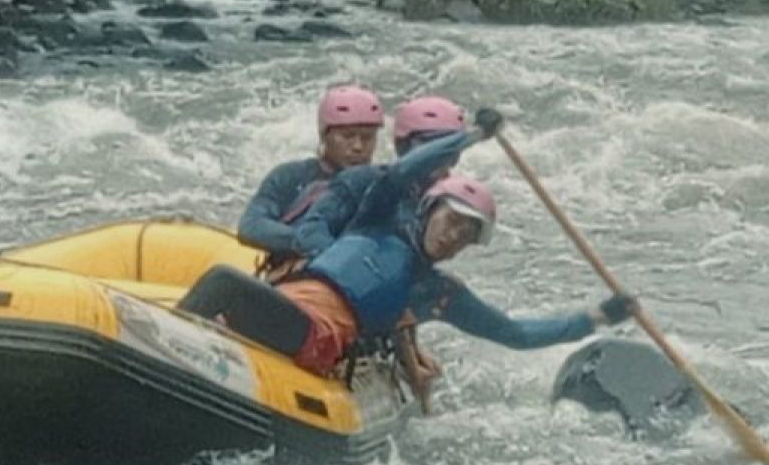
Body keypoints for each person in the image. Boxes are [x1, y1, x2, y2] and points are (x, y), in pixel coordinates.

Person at [179, 115, 637, 380]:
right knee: (229, 287)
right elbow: (400, 173)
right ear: (430, 210)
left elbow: (516, 334)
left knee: (222, 282)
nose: (454, 235)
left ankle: (170, 343)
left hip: (314, 337)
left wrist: (599, 317)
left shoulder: (434, 291)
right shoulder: (375, 219)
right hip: (286, 311)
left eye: (468, 234)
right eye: (453, 221)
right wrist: (472, 136)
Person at [238, 85, 384, 281]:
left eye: (367, 138)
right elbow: (252, 226)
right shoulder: (290, 176)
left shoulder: (380, 188)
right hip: (290, 279)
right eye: (347, 136)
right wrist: (311, 241)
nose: (358, 147)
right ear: (324, 136)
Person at [295, 94, 468, 257]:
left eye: (449, 152)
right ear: (404, 147)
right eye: (429, 147)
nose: (439, 159)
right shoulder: (363, 180)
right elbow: (311, 230)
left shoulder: (445, 206)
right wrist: (340, 262)